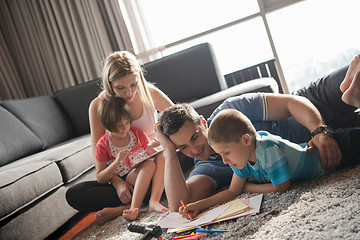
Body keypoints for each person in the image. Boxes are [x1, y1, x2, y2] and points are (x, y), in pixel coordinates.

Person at [155, 55, 360, 213]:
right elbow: (180, 204)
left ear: (202, 122)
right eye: (183, 148)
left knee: (355, 78)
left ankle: (350, 94)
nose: (195, 149)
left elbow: (291, 103)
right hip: (315, 151)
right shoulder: (209, 166)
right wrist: (169, 151)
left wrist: (319, 131)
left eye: (194, 137)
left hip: (314, 107)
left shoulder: (231, 110)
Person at [179, 109, 360, 218]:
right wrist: (200, 205)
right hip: (333, 163)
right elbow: (233, 191)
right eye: (220, 154)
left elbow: (282, 187)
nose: (225, 161)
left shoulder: (267, 149)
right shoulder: (240, 160)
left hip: (335, 151)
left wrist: (250, 188)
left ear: (246, 140)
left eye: (226, 153)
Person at [66, 51, 173, 225]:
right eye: (120, 88)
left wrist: (162, 142)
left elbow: (180, 118)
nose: (129, 92)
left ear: (139, 77)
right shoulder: (99, 106)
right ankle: (141, 198)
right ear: (109, 84)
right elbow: (99, 159)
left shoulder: (149, 93)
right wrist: (117, 184)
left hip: (157, 164)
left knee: (167, 163)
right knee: (76, 193)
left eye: (133, 84)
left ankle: (126, 207)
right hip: (125, 174)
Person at [96, 96, 162, 220]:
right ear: (108, 126)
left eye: (127, 122)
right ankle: (134, 208)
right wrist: (116, 162)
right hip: (128, 178)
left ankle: (128, 207)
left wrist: (155, 147)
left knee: (158, 160)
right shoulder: (103, 145)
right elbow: (100, 178)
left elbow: (153, 153)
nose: (125, 128)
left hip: (147, 174)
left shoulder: (137, 134)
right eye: (119, 126)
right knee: (149, 165)